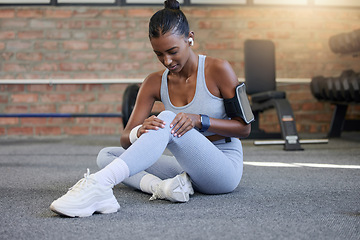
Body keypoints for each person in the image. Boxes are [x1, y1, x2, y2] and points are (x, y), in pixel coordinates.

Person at [50, 0, 251, 218]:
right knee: (106, 155)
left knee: (166, 117)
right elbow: (126, 138)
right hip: (187, 165)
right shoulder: (154, 82)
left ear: (189, 38)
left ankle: (99, 184)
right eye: (159, 54)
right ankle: (163, 188)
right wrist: (140, 130)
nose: (167, 61)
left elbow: (244, 129)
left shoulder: (219, 69)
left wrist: (200, 120)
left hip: (222, 168)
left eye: (173, 51)